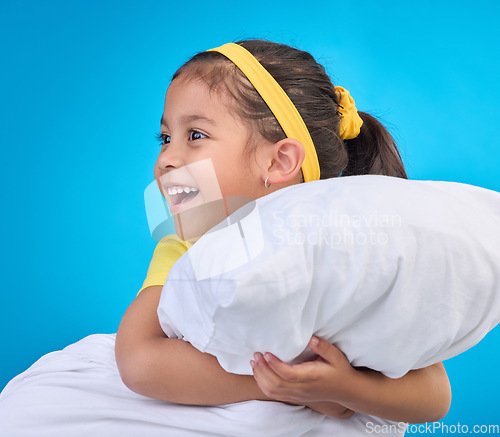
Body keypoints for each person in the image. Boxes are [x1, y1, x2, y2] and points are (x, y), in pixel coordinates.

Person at [114, 40, 452, 424]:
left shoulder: (347, 250)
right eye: (165, 138)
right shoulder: (186, 250)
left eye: (195, 135)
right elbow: (139, 361)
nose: (165, 160)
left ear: (279, 161)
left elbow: (434, 396)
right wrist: (286, 388)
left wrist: (343, 389)